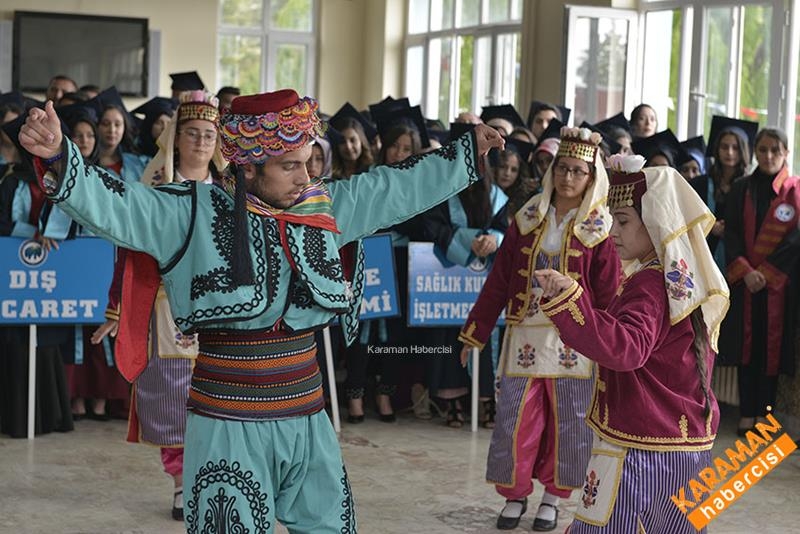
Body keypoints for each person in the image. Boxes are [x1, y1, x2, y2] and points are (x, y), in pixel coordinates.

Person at [20, 89, 504, 532]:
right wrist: (60, 156)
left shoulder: (323, 206)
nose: (307, 176)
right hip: (227, 421)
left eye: (308, 162)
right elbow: (118, 205)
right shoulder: (189, 213)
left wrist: (465, 152)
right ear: (248, 168)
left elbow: (392, 189)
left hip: (308, 417)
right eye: (290, 166)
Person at [535, 155, 728, 533]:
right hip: (677, 440)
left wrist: (570, 302)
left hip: (642, 443)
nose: (613, 232)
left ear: (656, 224)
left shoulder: (650, 283)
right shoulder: (673, 278)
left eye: (623, 221)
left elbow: (628, 347)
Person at [459, 127, 620, 532]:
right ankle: (515, 495)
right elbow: (499, 279)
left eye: (578, 172)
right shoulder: (528, 217)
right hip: (523, 339)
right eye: (562, 168)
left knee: (568, 422)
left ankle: (553, 497)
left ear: (591, 176)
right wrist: (475, 330)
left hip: (576, 343)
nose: (568, 178)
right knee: (516, 419)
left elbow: (609, 293)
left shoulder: (601, 228)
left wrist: (611, 343)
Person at [94, 91, 227, 520]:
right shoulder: (154, 192)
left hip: (220, 312)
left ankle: (213, 479)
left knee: (219, 399)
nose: (202, 142)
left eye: (209, 134)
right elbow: (128, 252)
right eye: (193, 134)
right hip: (166, 311)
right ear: (175, 138)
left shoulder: (230, 193)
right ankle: (180, 484)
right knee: (171, 398)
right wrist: (118, 308)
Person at [721, 127, 799, 436]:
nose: (768, 156)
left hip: (778, 286)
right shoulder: (742, 188)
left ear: (786, 154)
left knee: (771, 351)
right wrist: (745, 270)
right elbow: (732, 234)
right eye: (763, 150)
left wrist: (765, 274)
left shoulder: (795, 191)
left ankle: (765, 413)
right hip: (746, 283)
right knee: (746, 349)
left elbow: (794, 241)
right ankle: (747, 410)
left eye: (775, 151)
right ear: (755, 152)